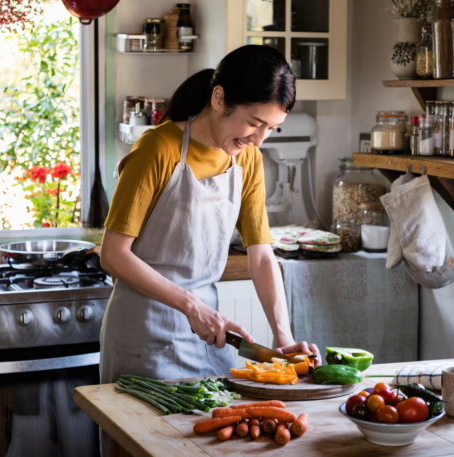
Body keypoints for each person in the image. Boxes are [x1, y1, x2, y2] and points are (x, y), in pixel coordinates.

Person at [98, 45, 319, 452]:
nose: (259, 139)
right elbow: (113, 255)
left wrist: (282, 335)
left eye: (271, 128)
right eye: (254, 123)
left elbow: (261, 254)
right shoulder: (156, 148)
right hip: (145, 333)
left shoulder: (246, 160)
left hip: (209, 335)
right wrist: (190, 306)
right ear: (219, 98)